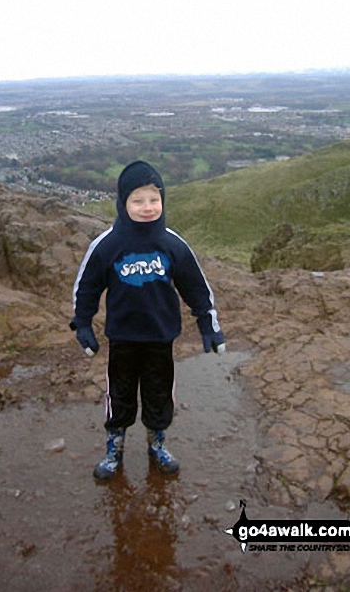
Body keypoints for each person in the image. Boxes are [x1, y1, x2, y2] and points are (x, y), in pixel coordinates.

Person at [71, 160, 225, 481]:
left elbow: (195, 286)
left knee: (158, 392)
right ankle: (115, 447)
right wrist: (83, 322)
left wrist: (207, 323)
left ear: (163, 201)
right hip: (123, 338)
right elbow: (87, 285)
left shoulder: (172, 243)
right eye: (137, 200)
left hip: (160, 337)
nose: (147, 207)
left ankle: (157, 444)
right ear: (123, 202)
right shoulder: (108, 244)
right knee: (121, 392)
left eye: (154, 199)